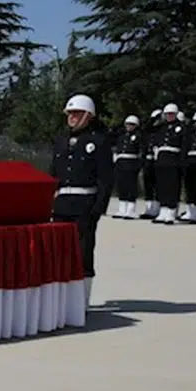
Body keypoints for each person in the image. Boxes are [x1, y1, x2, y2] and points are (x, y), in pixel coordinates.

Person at [50, 94, 113, 308]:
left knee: (83, 254)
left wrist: (98, 209)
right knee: (59, 253)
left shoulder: (98, 141)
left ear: (88, 115)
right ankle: (61, 300)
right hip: (61, 206)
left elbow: (105, 179)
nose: (72, 117)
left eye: (76, 113)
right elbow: (53, 174)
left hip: (84, 205)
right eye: (70, 113)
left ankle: (81, 302)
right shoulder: (60, 141)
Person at [152, 103, 185, 225]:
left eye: (171, 114)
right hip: (162, 160)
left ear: (176, 114)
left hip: (173, 160)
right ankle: (163, 210)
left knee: (172, 187)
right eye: (167, 114)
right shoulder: (161, 128)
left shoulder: (181, 127)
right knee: (162, 186)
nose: (169, 116)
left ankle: (171, 211)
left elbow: (184, 146)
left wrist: (181, 162)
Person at [111, 114, 143, 218]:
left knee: (131, 186)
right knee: (121, 186)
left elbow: (140, 152)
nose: (129, 126)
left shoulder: (138, 137)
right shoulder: (121, 136)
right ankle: (122, 209)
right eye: (128, 124)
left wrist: (138, 165)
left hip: (131, 163)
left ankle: (130, 210)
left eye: (132, 124)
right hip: (121, 163)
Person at [140, 109, 162, 218]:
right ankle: (149, 208)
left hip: (158, 160)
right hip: (148, 160)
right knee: (148, 184)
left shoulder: (162, 130)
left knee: (158, 184)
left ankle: (157, 208)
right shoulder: (148, 131)